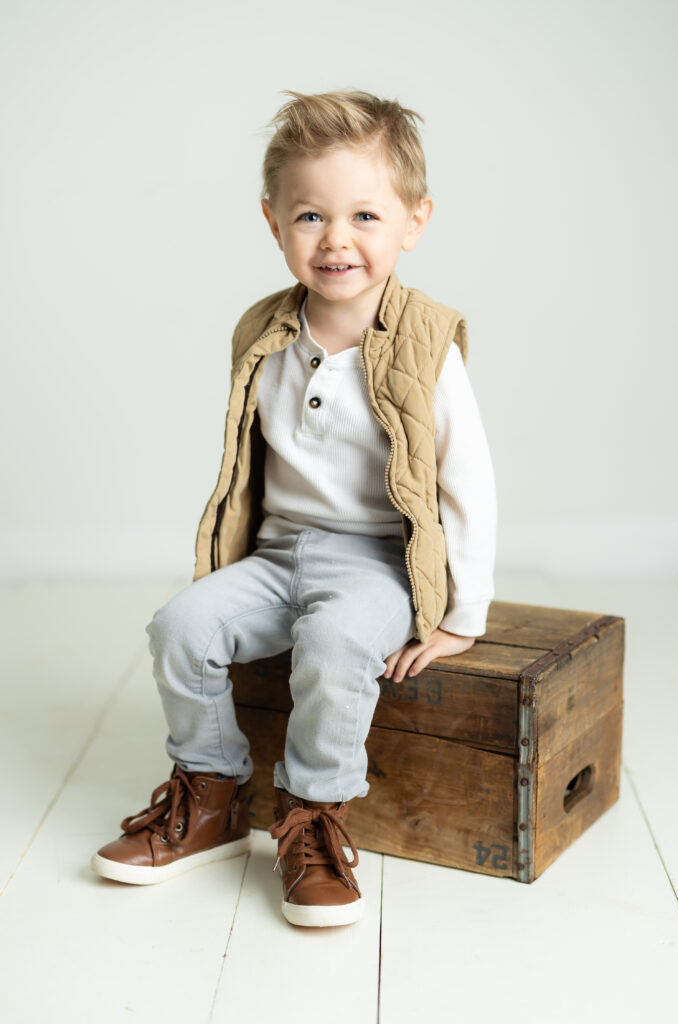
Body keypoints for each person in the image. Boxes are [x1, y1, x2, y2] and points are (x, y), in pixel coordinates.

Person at [91, 88, 497, 928]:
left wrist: (461, 614)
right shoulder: (265, 332)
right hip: (279, 555)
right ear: (273, 223)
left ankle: (312, 816)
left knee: (336, 639)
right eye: (310, 216)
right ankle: (209, 793)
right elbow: (252, 461)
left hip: (379, 558)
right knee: (182, 629)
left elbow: (467, 480)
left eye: (364, 216)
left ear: (413, 223)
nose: (336, 240)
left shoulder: (424, 344)